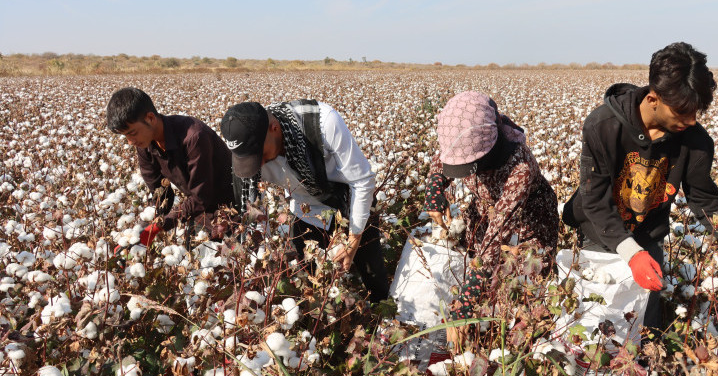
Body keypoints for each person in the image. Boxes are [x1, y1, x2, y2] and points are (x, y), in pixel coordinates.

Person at [562, 42, 718, 332]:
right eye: (682, 112)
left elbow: (704, 200)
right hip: (600, 233)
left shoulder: (695, 141)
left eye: (696, 111)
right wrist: (630, 254)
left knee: (644, 327)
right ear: (653, 99)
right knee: (598, 321)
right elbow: (595, 200)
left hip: (649, 233)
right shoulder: (603, 126)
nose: (691, 120)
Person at [219, 100, 389, 303]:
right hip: (306, 209)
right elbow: (253, 209)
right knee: (311, 279)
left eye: (260, 156)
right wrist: (261, 254)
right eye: (250, 160)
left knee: (370, 269)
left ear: (274, 128)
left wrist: (353, 240)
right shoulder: (246, 149)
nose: (259, 164)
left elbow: (361, 181)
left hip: (350, 201)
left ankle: (382, 316)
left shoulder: (322, 123)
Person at [423, 91, 558, 332]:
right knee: (479, 271)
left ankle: (527, 345)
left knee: (528, 282)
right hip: (486, 210)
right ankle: (481, 331)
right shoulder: (463, 134)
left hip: (531, 216)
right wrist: (435, 191)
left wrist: (464, 307)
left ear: (487, 152)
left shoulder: (520, 167)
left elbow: (496, 238)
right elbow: (442, 159)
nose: (464, 173)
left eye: (468, 167)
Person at [106, 87, 235, 247]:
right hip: (199, 215)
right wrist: (139, 232)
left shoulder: (194, 137)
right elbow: (161, 195)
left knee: (238, 265)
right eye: (125, 136)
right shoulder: (145, 145)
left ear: (150, 118)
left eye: (132, 133)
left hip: (233, 213)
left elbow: (200, 197)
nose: (130, 142)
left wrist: (159, 226)